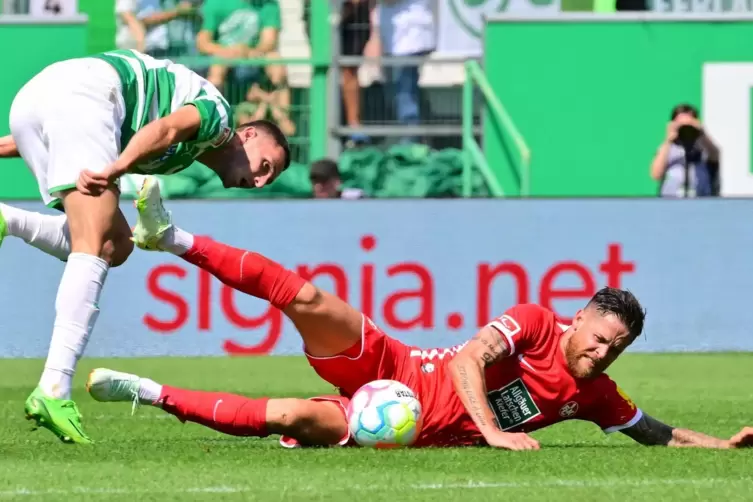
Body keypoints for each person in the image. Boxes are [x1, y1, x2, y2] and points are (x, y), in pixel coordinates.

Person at [87, 178, 753, 450]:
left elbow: (655, 432)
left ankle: (147, 391)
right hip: (394, 365)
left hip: (400, 427)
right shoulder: (534, 321)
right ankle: (170, 238)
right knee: (311, 299)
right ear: (578, 317)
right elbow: (467, 359)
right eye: (601, 337)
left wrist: (720, 447)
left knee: (287, 416)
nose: (603, 353)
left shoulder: (595, 396)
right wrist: (491, 431)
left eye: (615, 349)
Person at [0, 49, 291, 444]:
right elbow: (168, 128)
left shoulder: (181, 159)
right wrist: (116, 170)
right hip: (89, 92)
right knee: (96, 242)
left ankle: (8, 220)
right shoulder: (218, 119)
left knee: (117, 245)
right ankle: (53, 389)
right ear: (249, 135)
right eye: (265, 167)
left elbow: (62, 123)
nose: (259, 181)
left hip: (37, 103)